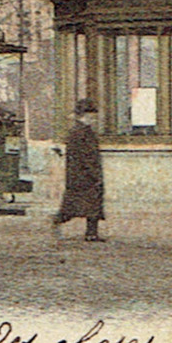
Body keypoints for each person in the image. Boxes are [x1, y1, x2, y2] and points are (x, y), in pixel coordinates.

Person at [54, 98, 106, 242]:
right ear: (84, 115)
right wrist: (93, 172)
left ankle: (91, 233)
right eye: (92, 116)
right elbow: (84, 156)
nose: (94, 120)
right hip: (83, 174)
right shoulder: (79, 132)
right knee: (78, 204)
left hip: (83, 174)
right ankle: (59, 220)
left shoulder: (83, 131)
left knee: (92, 205)